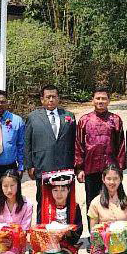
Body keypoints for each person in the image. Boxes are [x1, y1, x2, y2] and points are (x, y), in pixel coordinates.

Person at [24, 85, 76, 223]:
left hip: (65, 166)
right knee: (43, 201)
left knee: (65, 201)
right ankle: (41, 230)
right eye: (48, 97)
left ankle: (67, 231)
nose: (51, 100)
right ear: (42, 99)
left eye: (54, 97)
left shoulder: (69, 116)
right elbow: (27, 143)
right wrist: (29, 165)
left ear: (58, 98)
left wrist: (76, 165)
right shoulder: (33, 117)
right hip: (43, 165)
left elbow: (74, 142)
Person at [75, 87, 126, 216]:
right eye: (97, 98)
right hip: (90, 168)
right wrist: (79, 168)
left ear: (109, 101)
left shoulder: (115, 120)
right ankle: (93, 229)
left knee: (114, 202)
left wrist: (119, 168)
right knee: (92, 203)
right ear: (93, 100)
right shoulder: (84, 120)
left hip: (111, 169)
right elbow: (79, 145)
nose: (100, 101)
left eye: (104, 98)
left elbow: (121, 145)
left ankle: (113, 228)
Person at [31, 169, 83, 254]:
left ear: (69, 190)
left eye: (63, 190)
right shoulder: (44, 208)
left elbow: (78, 227)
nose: (59, 194)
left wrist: (68, 232)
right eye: (55, 190)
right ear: (51, 191)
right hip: (48, 244)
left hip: (66, 243)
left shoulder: (74, 207)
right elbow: (39, 227)